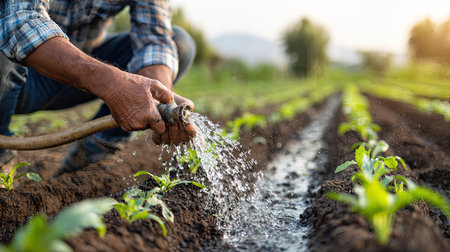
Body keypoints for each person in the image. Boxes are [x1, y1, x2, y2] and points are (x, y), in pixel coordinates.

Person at [0, 0, 196, 173]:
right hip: (12, 74)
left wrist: (158, 100)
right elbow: (20, 23)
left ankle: (91, 154)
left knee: (179, 43)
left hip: (80, 73)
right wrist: (113, 84)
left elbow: (154, 41)